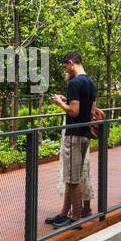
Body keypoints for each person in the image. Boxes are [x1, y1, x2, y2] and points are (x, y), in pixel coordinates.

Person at [47, 51, 97, 228]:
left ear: (70, 63)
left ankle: (74, 218)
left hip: (74, 134)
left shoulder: (75, 83)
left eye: (65, 66)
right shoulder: (91, 83)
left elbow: (74, 111)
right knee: (71, 176)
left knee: (73, 178)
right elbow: (91, 111)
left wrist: (60, 103)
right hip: (85, 135)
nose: (66, 70)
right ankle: (65, 214)